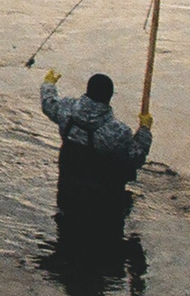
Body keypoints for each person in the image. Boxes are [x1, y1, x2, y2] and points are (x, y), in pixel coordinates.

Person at [40, 69, 153, 211]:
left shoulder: (66, 110)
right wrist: (144, 129)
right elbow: (136, 157)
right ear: (110, 97)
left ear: (87, 90)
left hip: (67, 197)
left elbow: (48, 103)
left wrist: (48, 84)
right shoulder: (116, 131)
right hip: (103, 205)